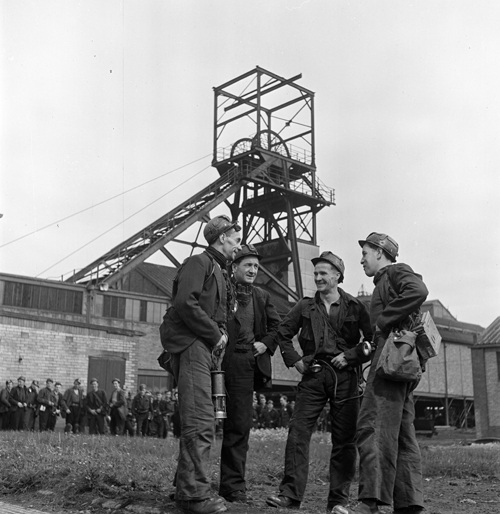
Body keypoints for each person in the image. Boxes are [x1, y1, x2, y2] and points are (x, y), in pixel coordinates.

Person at [267, 251, 373, 512]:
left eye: (323, 273)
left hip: (346, 377)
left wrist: (351, 356)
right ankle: (290, 496)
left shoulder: (355, 307)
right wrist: (295, 360)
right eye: (316, 274)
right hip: (313, 375)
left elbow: (372, 340)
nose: (318, 278)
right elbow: (283, 333)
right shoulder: (304, 306)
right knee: (298, 432)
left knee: (344, 440)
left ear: (338, 276)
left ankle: (338, 501)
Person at [161, 214, 242, 514]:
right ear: (222, 238)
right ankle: (194, 496)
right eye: (235, 238)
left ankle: (187, 488)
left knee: (202, 418)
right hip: (194, 344)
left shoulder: (218, 269)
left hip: (203, 347)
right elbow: (185, 303)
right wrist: (214, 334)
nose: (238, 244)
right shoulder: (199, 263)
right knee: (199, 420)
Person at [342, 233, 429, 514]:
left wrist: (383, 320)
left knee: (372, 426)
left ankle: (371, 502)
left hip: (390, 360)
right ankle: (409, 502)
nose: (361, 259)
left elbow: (418, 290)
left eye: (365, 253)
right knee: (403, 433)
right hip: (400, 364)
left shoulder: (395, 272)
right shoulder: (385, 281)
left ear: (380, 252)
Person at [218, 244, 281, 503]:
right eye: (248, 265)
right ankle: (188, 482)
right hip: (217, 362)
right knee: (198, 423)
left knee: (239, 425)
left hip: (245, 364)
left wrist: (265, 343)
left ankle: (233, 487)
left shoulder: (262, 296)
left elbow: (278, 326)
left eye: (256, 266)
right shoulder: (221, 290)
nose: (253, 270)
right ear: (234, 267)